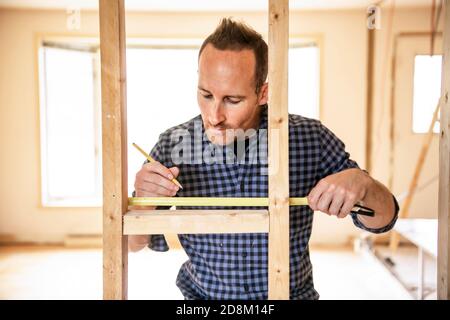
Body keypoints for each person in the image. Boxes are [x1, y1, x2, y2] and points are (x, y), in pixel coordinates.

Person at [129, 18, 399, 300]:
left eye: (233, 100)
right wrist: (143, 203)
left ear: (263, 93)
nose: (214, 116)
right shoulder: (173, 145)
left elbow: (385, 219)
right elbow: (134, 244)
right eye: (206, 94)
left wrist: (363, 184)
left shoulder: (309, 137)